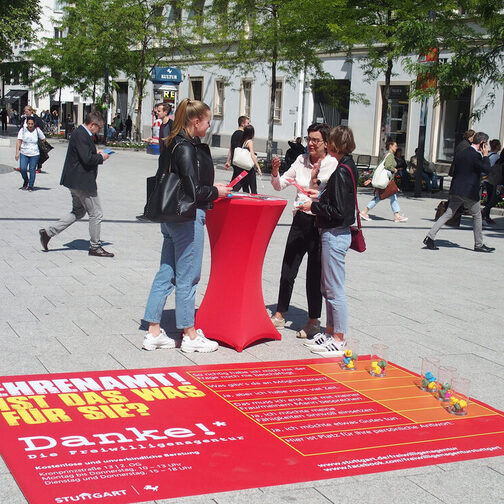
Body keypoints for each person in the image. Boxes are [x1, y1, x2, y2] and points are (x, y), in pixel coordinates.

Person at [142, 98, 232, 353]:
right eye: (207, 121)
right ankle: (189, 335)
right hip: (187, 217)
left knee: (166, 272)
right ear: (196, 121)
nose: (208, 126)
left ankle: (154, 331)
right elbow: (194, 190)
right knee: (188, 277)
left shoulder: (171, 141)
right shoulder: (186, 147)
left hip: (168, 216)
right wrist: (217, 191)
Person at [270, 123, 337, 339]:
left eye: (316, 140)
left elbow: (327, 195)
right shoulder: (301, 160)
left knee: (314, 274)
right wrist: (275, 172)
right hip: (300, 218)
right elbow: (280, 185)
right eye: (309, 139)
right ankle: (280, 313)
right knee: (288, 266)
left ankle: (313, 320)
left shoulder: (331, 164)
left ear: (326, 143)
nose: (310, 144)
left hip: (319, 221)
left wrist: (315, 178)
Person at [299, 125, 358, 355]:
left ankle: (339, 337)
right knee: (328, 287)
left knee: (334, 289)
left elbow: (339, 210)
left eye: (329, 141)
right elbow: (338, 201)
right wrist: (320, 196)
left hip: (335, 233)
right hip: (334, 233)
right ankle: (331, 331)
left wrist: (314, 206)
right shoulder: (346, 165)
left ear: (334, 144)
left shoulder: (342, 170)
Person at [38, 111, 113, 257]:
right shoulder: (81, 134)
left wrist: (95, 152)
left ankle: (48, 233)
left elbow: (83, 154)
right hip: (82, 182)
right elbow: (86, 159)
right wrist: (101, 157)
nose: (99, 130)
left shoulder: (81, 133)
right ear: (92, 125)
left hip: (75, 180)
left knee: (78, 211)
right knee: (96, 213)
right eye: (99, 127)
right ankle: (95, 246)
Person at [423, 131, 495, 252]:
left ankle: (430, 237)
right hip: (468, 191)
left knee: (448, 213)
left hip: (456, 189)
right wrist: (486, 155)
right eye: (486, 143)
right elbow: (486, 169)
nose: (486, 146)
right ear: (482, 143)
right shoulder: (475, 155)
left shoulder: (462, 153)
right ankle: (478, 244)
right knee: (477, 216)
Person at [360, 138, 408, 222]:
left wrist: (371, 178)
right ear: (390, 146)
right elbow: (387, 166)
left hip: (386, 181)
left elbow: (379, 167)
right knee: (380, 197)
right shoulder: (390, 155)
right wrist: (394, 169)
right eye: (395, 146)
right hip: (386, 181)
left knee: (392, 197)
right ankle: (364, 212)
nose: (396, 148)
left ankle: (396, 216)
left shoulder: (386, 155)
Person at [15, 117, 46, 191]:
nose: (30, 125)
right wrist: (17, 153)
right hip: (24, 152)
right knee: (23, 169)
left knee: (32, 169)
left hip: (34, 153)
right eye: (29, 124)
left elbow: (44, 139)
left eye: (32, 124)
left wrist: (40, 143)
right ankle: (26, 180)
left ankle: (31, 185)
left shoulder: (37, 130)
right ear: (26, 124)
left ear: (34, 124)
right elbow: (18, 141)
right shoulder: (22, 130)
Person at [224, 115, 251, 192]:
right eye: (247, 123)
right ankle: (229, 193)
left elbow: (231, 148)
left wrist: (228, 161)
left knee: (244, 181)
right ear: (242, 124)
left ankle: (246, 195)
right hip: (241, 161)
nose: (249, 125)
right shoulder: (243, 135)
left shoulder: (234, 134)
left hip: (235, 160)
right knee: (238, 181)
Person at [238, 124, 263, 193]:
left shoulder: (244, 141)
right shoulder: (250, 142)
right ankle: (254, 201)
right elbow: (252, 155)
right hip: (249, 168)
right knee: (253, 188)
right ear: (251, 133)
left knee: (245, 188)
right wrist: (258, 167)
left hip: (244, 168)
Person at [482, 145, 503, 225]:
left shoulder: (493, 156)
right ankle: (484, 213)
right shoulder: (496, 157)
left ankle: (486, 216)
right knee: (494, 199)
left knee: (491, 199)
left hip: (489, 179)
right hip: (496, 182)